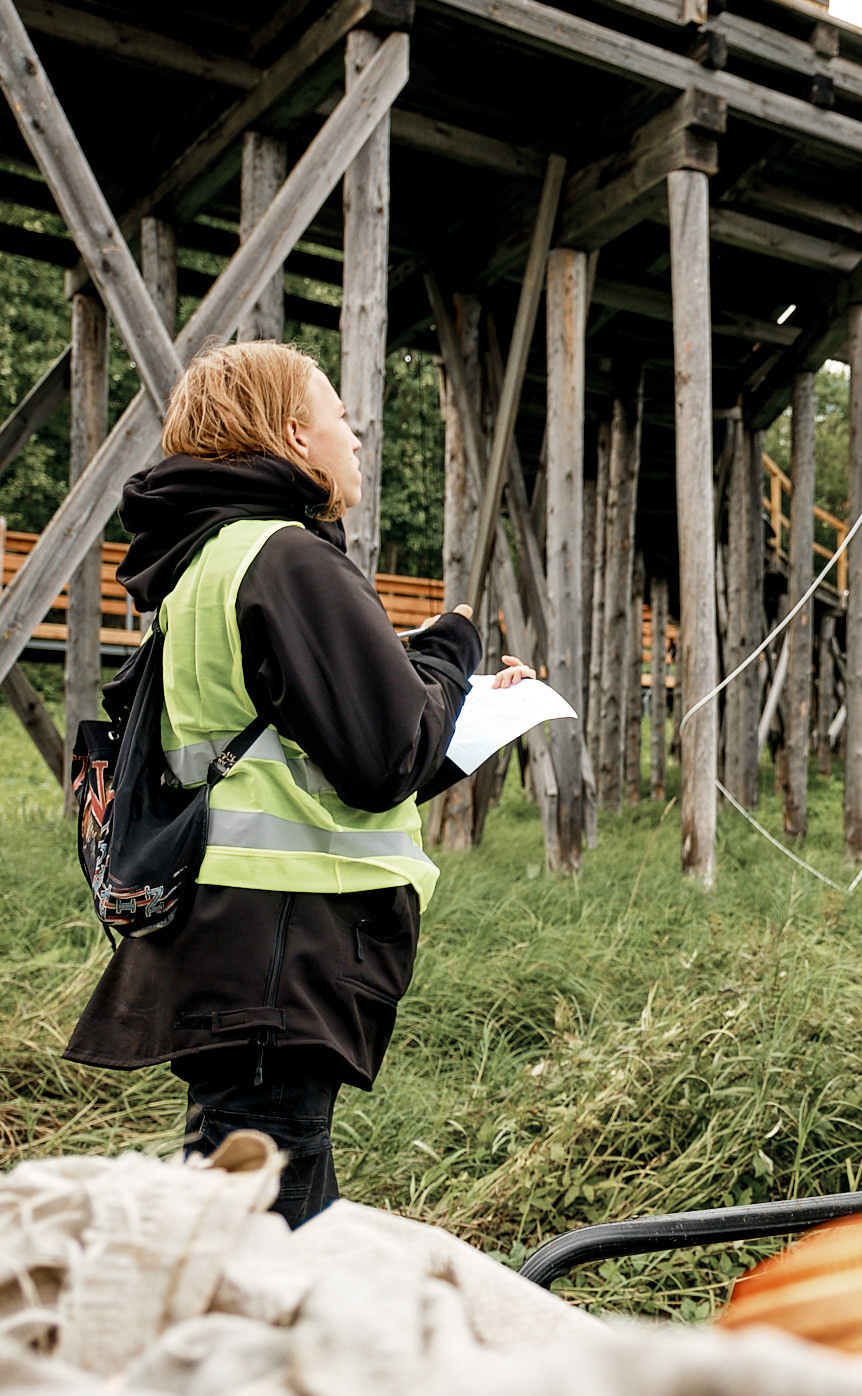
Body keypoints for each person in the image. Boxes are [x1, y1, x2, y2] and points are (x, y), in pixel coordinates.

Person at [66, 341, 530, 1228]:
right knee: (261, 1234)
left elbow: (319, 761)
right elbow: (386, 757)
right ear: (292, 433)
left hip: (230, 942)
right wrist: (448, 650)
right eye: (342, 421)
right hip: (282, 952)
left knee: (261, 1206)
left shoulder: (210, 559)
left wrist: (454, 708)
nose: (356, 442)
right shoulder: (290, 558)